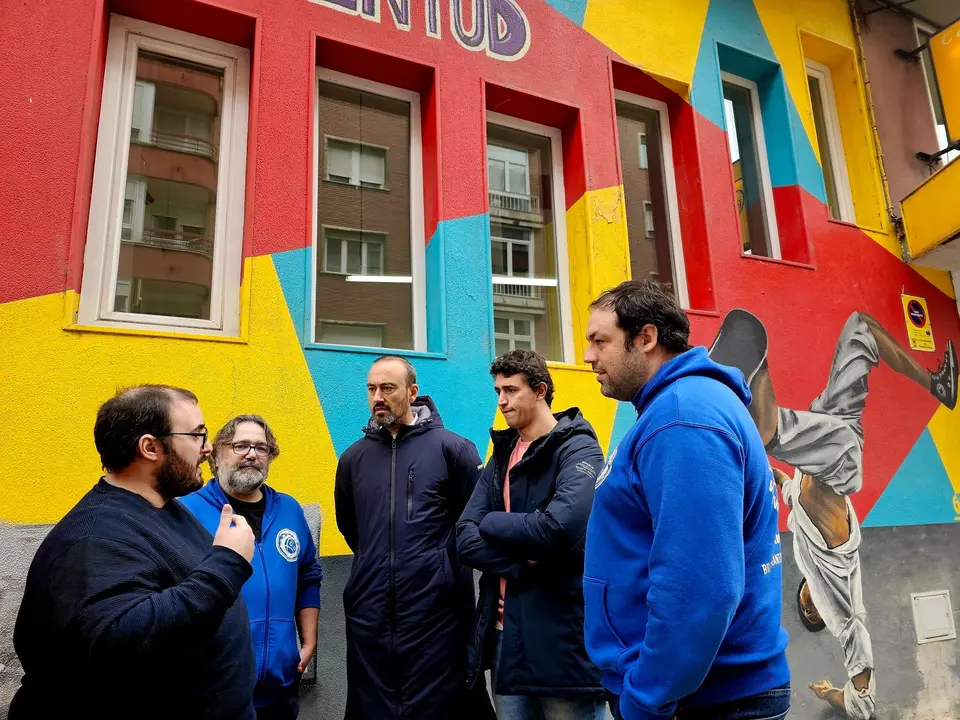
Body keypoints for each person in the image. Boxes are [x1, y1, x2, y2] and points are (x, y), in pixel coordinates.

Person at [708, 308, 958, 719]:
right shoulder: (838, 598)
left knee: (862, 329)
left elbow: (785, 487)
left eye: (806, 608)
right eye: (813, 613)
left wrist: (758, 473)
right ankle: (747, 376)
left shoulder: (803, 556)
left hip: (832, 431)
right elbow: (860, 675)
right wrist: (838, 695)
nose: (812, 607)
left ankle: (938, 383)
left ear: (801, 596)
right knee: (773, 433)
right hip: (838, 459)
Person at [581, 280, 790, 720]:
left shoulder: (682, 417)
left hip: (701, 699)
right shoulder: (676, 408)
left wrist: (645, 698)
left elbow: (700, 588)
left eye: (600, 341)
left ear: (646, 338)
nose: (588, 357)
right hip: (697, 692)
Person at [10, 385, 256, 719]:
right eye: (197, 435)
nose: (208, 448)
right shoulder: (94, 539)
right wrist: (227, 563)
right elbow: (119, 639)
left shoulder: (161, 505)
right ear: (150, 447)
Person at [334, 355, 491, 719]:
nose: (378, 397)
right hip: (371, 618)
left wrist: (436, 571)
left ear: (412, 391)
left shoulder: (454, 449)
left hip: (438, 617)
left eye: (388, 388)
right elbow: (351, 528)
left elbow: (473, 523)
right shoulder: (353, 459)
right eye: (372, 389)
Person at [457, 349, 606, 720]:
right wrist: (522, 563)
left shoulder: (578, 447)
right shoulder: (502, 453)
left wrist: (492, 521)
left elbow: (558, 528)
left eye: (511, 390)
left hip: (560, 636)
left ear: (540, 390)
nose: (502, 401)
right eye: (498, 392)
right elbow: (464, 536)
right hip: (505, 636)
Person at [181, 414, 323, 719]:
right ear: (217, 454)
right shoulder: (185, 510)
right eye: (240, 445)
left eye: (261, 448)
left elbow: (309, 576)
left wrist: (309, 640)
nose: (251, 454)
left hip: (281, 686)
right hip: (214, 689)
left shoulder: (290, 509)